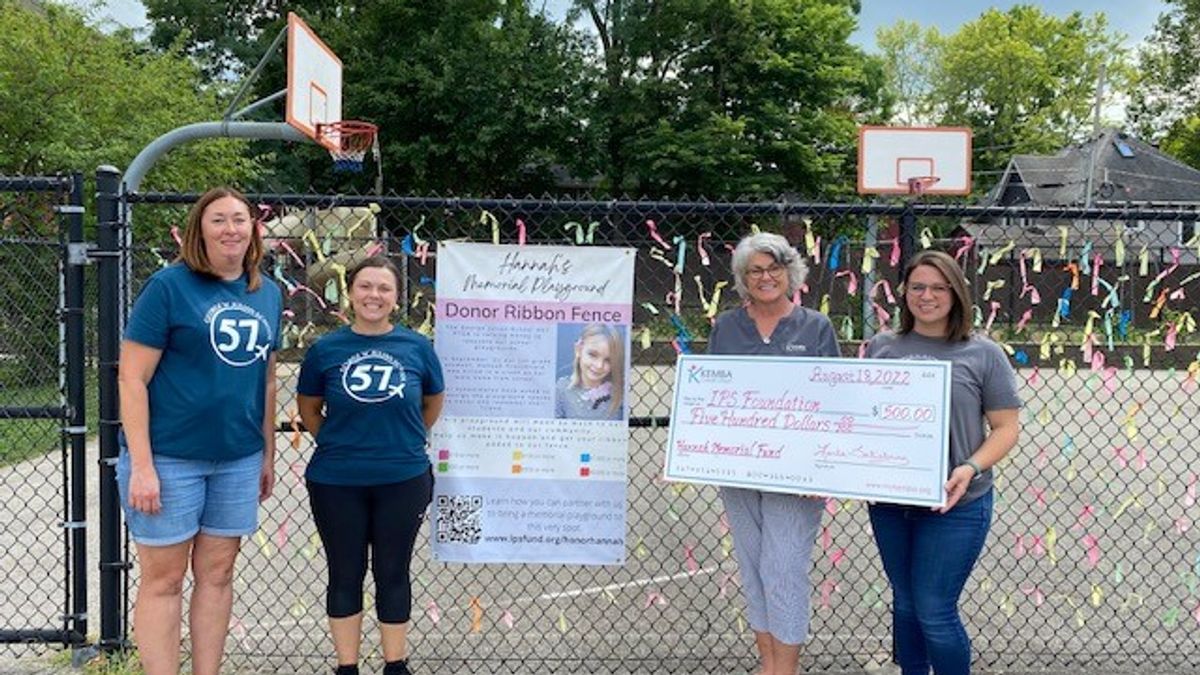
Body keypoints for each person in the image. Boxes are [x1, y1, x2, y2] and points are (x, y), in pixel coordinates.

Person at [117, 187, 282, 675]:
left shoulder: (266, 292)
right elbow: (132, 377)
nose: (230, 229)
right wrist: (143, 466)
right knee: (163, 580)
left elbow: (268, 380)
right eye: (218, 220)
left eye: (239, 219)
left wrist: (266, 454)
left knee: (218, 575)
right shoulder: (169, 287)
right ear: (199, 230)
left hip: (236, 459)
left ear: (254, 229)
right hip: (170, 459)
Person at [865, 250, 1021, 675]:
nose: (927, 295)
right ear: (903, 293)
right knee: (906, 605)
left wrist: (970, 466)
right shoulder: (881, 347)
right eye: (918, 286)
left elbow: (1006, 428)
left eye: (938, 287)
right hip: (891, 502)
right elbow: (863, 419)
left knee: (935, 609)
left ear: (956, 293)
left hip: (957, 503)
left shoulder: (982, 353)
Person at [297, 256, 445, 675]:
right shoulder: (326, 350)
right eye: (365, 287)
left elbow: (432, 403)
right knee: (345, 572)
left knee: (392, 571)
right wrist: (335, 440)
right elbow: (309, 408)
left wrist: (405, 438)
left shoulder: (417, 347)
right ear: (350, 293)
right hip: (336, 480)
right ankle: (347, 667)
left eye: (383, 288)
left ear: (396, 298)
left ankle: (395, 665)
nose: (373, 296)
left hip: (403, 477)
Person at [706, 232, 839, 675]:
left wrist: (822, 469)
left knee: (783, 567)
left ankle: (786, 667)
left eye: (774, 268)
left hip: (796, 474)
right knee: (753, 564)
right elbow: (708, 395)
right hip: (739, 466)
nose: (766, 277)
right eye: (755, 270)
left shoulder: (815, 326)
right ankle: (768, 662)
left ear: (790, 272)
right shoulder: (725, 326)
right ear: (744, 279)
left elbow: (834, 401)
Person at [554, 323, 625, 420]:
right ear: (578, 350)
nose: (599, 365)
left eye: (608, 360)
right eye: (593, 355)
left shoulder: (619, 392)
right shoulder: (562, 389)